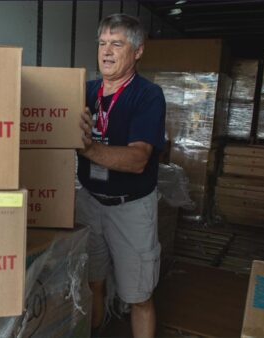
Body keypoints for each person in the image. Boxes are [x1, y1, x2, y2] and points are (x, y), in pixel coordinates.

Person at [76, 13, 166, 338]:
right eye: (102, 43)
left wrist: (86, 149)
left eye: (117, 43)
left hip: (131, 209)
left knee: (139, 296)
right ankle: (96, 331)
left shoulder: (147, 96)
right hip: (88, 201)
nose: (107, 51)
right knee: (93, 282)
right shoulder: (84, 91)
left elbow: (139, 158)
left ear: (138, 50)